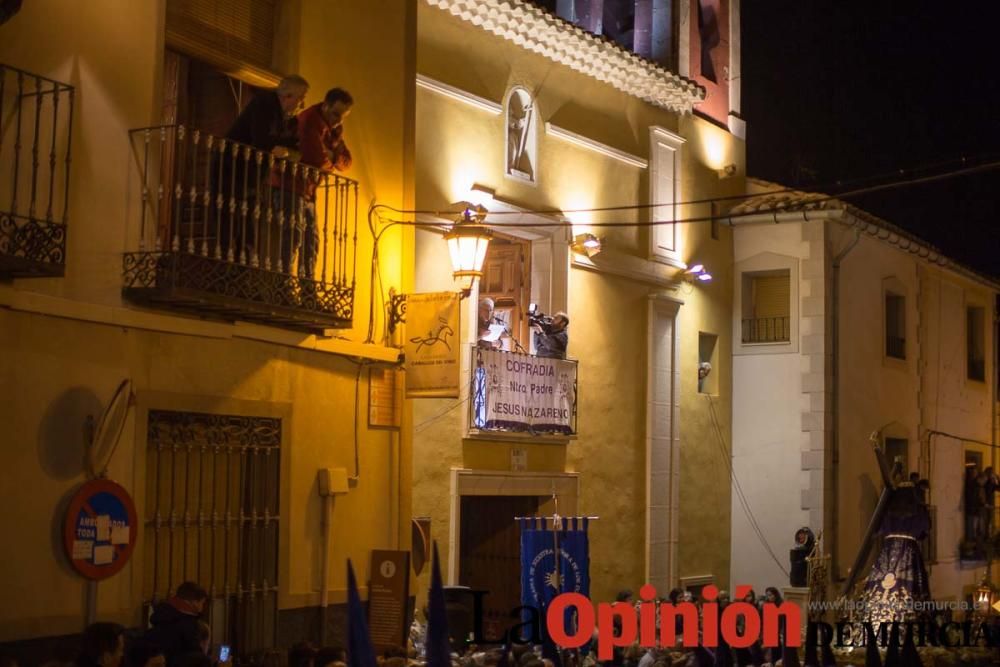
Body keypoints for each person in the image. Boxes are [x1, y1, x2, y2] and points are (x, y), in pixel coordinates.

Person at [222, 74, 309, 266]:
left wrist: (284, 149)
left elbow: (294, 149)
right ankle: (229, 270)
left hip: (253, 175)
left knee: (248, 224)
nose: (302, 104)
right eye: (300, 98)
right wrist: (281, 149)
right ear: (287, 96)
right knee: (232, 222)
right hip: (233, 169)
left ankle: (243, 271)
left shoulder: (287, 119)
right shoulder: (264, 104)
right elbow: (261, 140)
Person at [296, 88, 353, 283]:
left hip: (309, 191)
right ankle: (285, 289)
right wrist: (331, 158)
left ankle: (307, 291)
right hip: (293, 186)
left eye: (343, 117)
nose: (338, 121)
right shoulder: (310, 120)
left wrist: (331, 155)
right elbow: (315, 158)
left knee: (311, 242)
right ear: (325, 105)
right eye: (336, 114)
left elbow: (347, 162)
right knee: (293, 239)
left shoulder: (335, 129)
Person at [144, 582, 208, 667]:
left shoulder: (162, 614)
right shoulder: (187, 623)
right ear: (194, 602)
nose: (202, 608)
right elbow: (196, 658)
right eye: (202, 603)